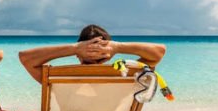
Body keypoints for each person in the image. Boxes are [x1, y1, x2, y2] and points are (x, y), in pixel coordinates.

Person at [18, 24, 166, 84]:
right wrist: (117, 47)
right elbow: (159, 52)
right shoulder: (126, 76)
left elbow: (25, 58)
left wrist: (74, 48)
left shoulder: (59, 78)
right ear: (110, 55)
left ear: (78, 55)